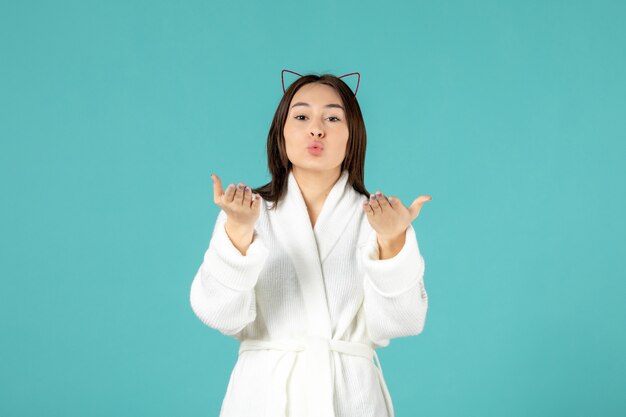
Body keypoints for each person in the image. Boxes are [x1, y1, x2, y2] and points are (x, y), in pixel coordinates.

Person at [189, 70, 432, 417]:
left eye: (333, 118)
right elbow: (220, 314)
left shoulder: (380, 219)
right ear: (281, 133)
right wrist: (239, 233)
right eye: (301, 116)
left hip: (350, 400)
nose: (317, 129)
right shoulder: (248, 213)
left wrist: (392, 241)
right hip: (263, 399)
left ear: (353, 135)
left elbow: (401, 322)